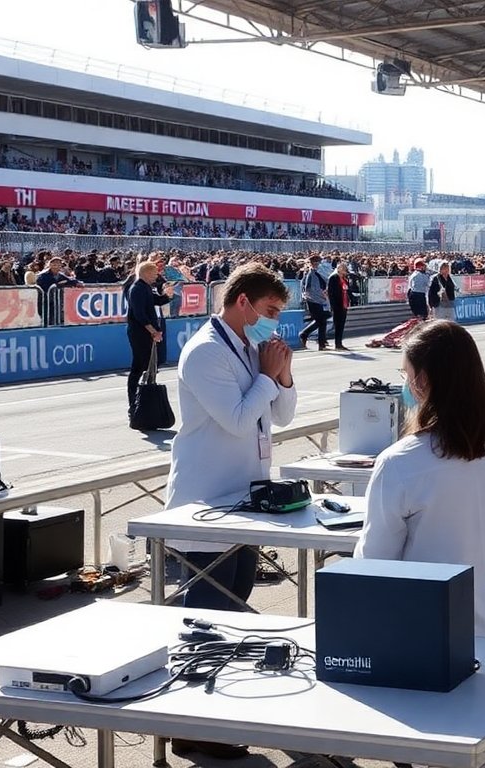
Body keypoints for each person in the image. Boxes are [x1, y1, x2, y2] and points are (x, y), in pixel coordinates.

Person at [355, 320, 485, 768]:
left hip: (425, 648)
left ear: (422, 381)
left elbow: (374, 568)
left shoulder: (400, 463)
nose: (405, 385)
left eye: (406, 375)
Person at [163, 263, 295, 760]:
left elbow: (280, 414)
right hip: (204, 504)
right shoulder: (205, 352)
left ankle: (213, 716)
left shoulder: (248, 346)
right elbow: (240, 421)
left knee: (235, 602)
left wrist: (282, 375)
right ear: (242, 302)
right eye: (269, 312)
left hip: (243, 498)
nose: (274, 324)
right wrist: (267, 375)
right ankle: (192, 723)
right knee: (206, 615)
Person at [125, 260, 171, 421]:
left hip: (147, 332)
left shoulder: (145, 288)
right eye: (154, 274)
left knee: (150, 366)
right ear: (145, 273)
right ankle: (134, 403)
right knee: (139, 367)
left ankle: (143, 400)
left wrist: (168, 295)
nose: (156, 276)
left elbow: (156, 301)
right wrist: (153, 331)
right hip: (140, 333)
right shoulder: (137, 289)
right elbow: (139, 314)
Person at [298, 254, 330, 350]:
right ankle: (320, 343)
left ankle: (306, 335)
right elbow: (309, 288)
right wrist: (322, 294)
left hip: (319, 300)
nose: (319, 264)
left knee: (321, 321)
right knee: (321, 321)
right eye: (317, 262)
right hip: (313, 300)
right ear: (314, 263)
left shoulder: (317, 273)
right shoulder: (310, 273)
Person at [328, 258, 352, 351]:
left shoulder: (345, 279)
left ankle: (340, 343)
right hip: (337, 305)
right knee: (337, 324)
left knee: (341, 325)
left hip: (344, 304)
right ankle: (337, 344)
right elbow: (331, 293)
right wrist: (333, 305)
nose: (345, 270)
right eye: (343, 269)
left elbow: (347, 290)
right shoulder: (334, 278)